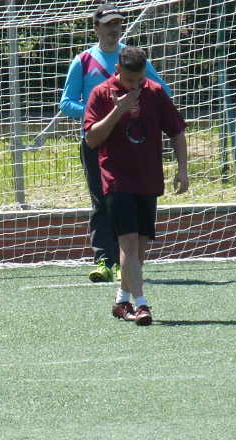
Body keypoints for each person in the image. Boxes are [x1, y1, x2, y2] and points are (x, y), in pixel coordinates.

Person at [59, 3, 172, 283]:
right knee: (101, 201)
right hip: (97, 140)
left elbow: (163, 91)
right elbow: (66, 103)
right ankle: (104, 261)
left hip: (131, 144)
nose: (114, 29)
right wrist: (100, 113)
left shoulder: (132, 59)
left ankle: (126, 263)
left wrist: (140, 108)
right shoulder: (83, 61)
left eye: (117, 23)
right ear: (96, 28)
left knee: (128, 200)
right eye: (108, 24)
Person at [84, 46, 188, 326]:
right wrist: (118, 110)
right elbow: (92, 139)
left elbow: (177, 131)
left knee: (139, 249)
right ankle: (141, 304)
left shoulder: (154, 92)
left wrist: (182, 170)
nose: (135, 86)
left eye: (139, 79)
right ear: (117, 70)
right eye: (130, 80)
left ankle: (122, 301)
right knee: (128, 244)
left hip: (148, 178)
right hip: (117, 180)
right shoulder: (101, 94)